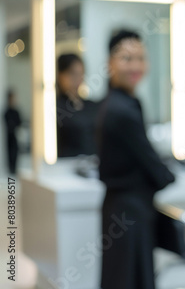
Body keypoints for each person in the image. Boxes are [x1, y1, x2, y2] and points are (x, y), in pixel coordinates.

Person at [97, 29, 175, 289]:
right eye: (126, 58)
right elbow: (154, 166)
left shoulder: (118, 103)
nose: (135, 65)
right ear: (110, 63)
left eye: (141, 58)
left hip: (123, 209)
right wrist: (167, 174)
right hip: (128, 213)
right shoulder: (123, 110)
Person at [56, 53, 99, 157]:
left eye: (80, 74)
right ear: (60, 75)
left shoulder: (90, 105)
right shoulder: (57, 107)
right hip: (66, 166)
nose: (77, 79)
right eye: (72, 74)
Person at [4, 89, 21, 174]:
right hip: (8, 136)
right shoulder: (6, 112)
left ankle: (14, 169)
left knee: (15, 153)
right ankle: (11, 170)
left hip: (15, 136)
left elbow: (19, 122)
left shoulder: (16, 112)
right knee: (9, 154)